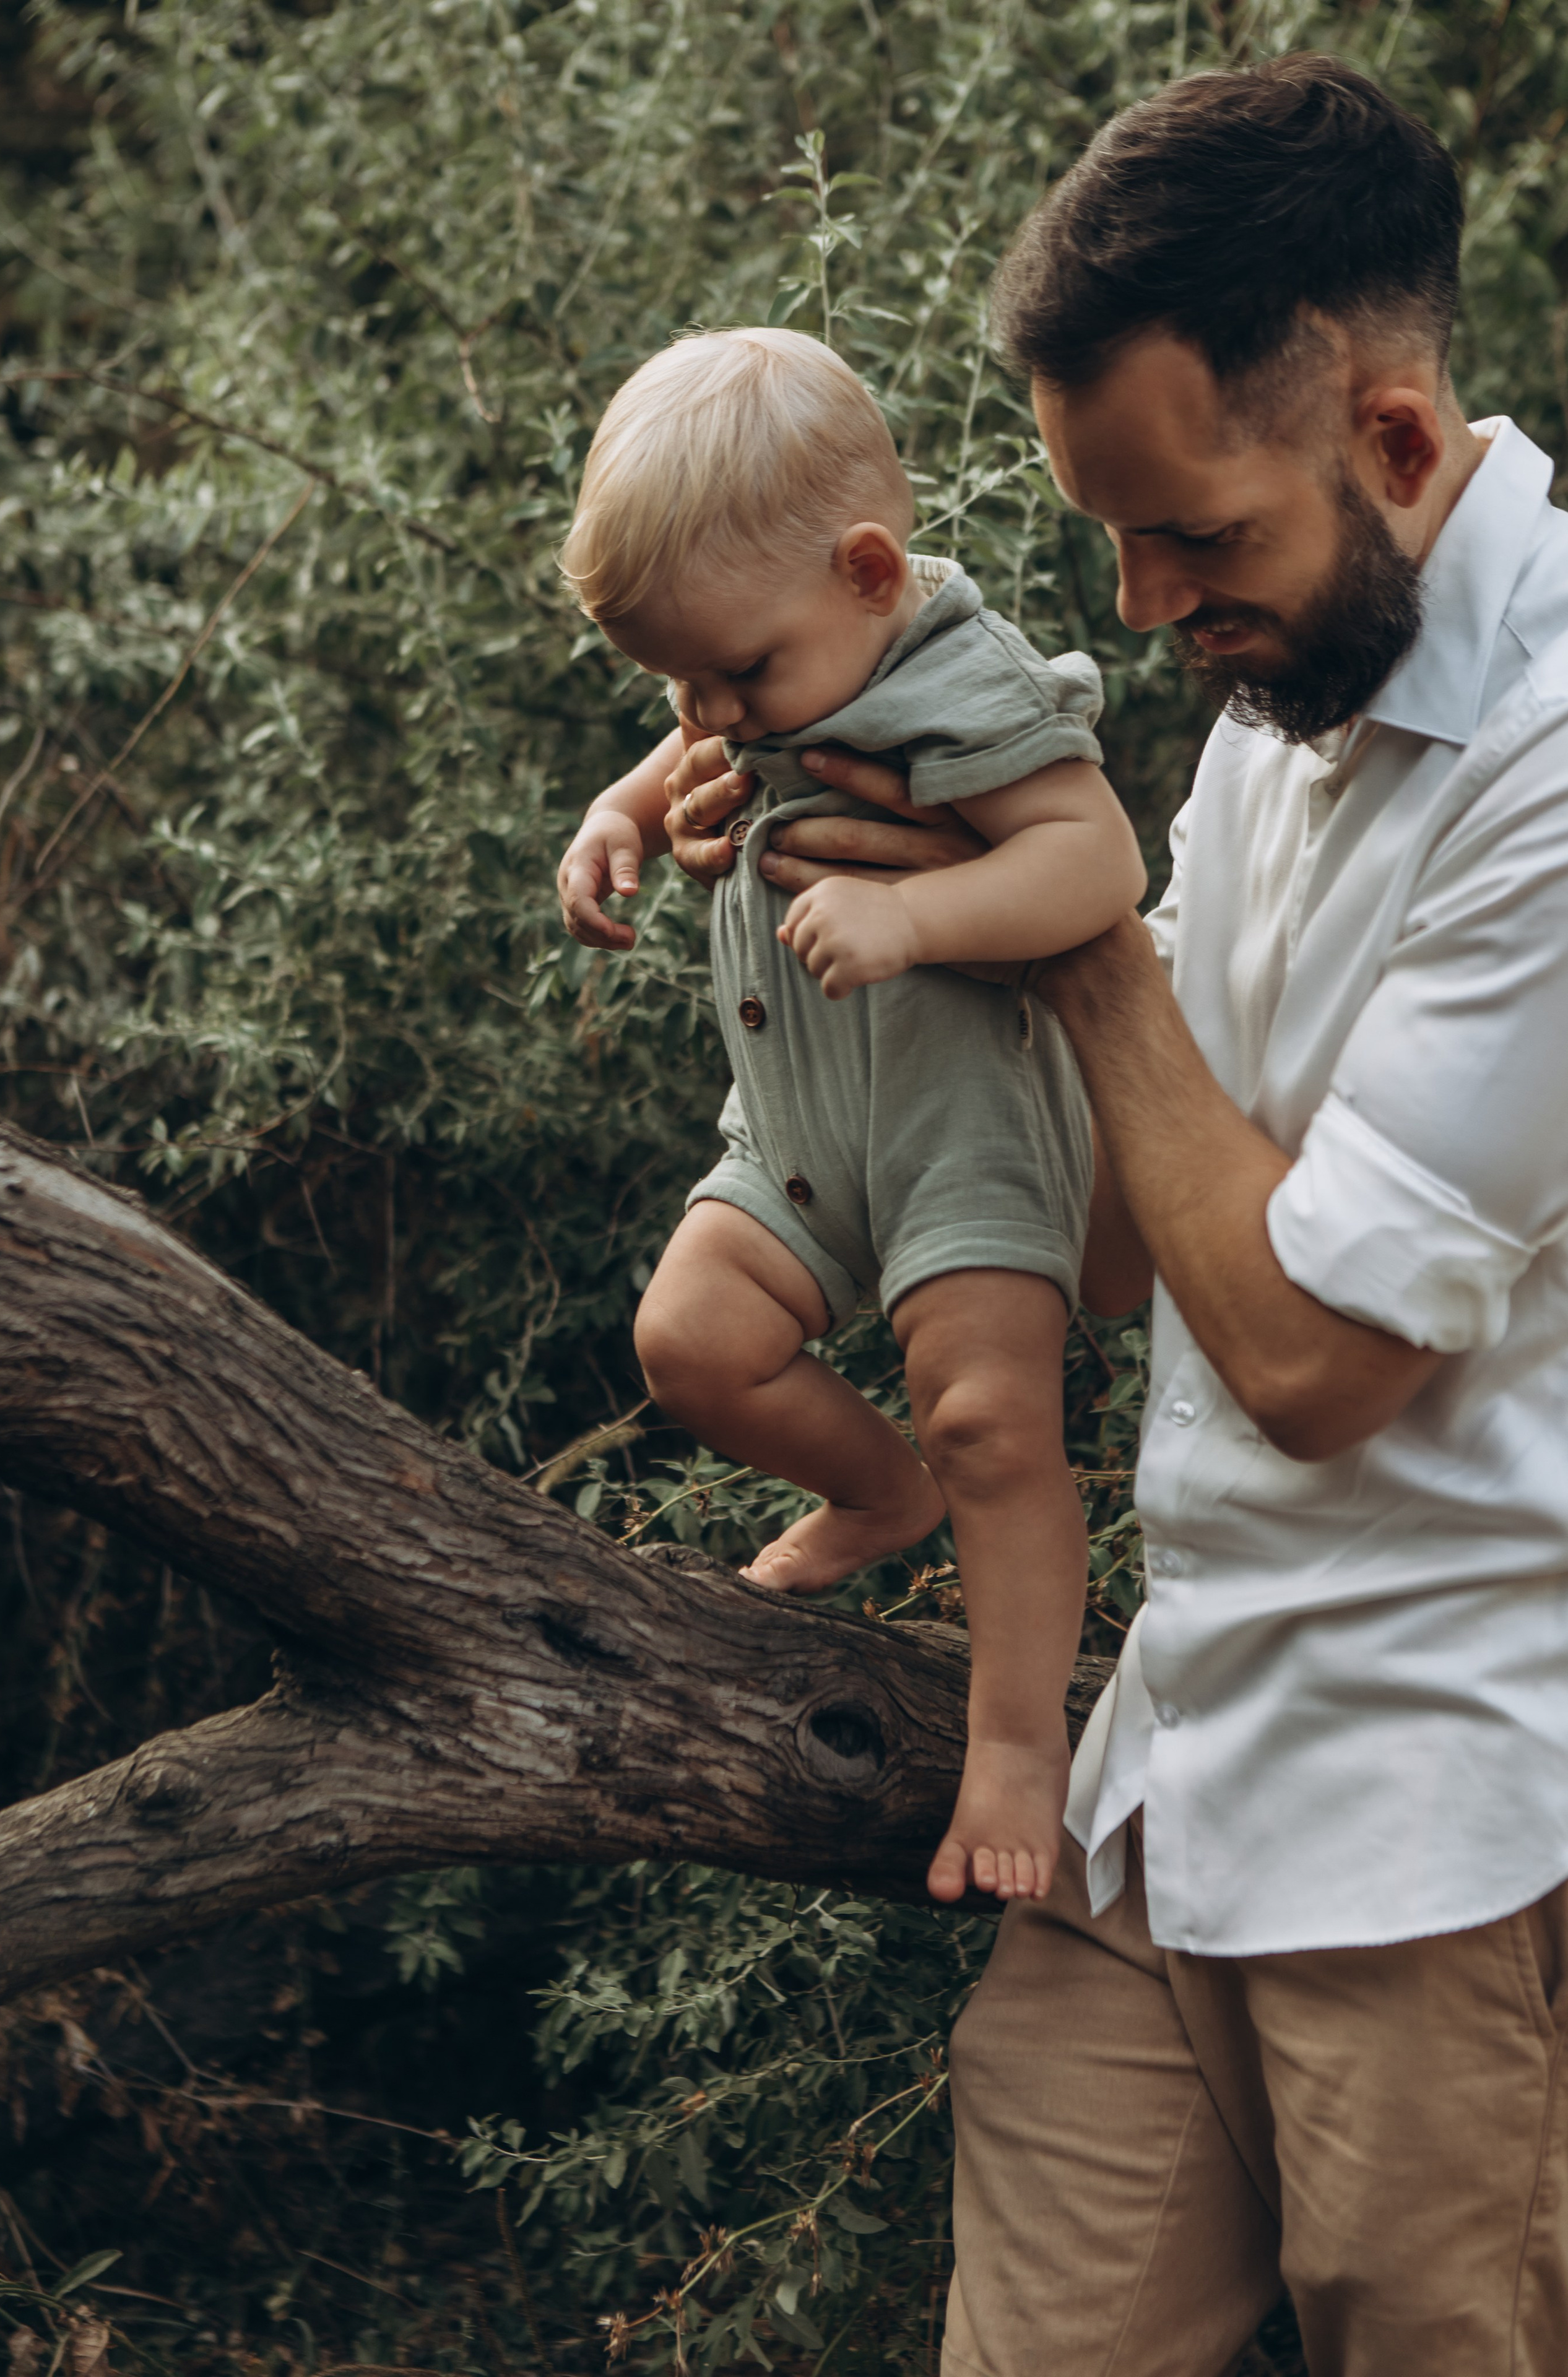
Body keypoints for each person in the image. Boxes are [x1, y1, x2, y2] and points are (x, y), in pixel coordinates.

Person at [658, 52, 1568, 2377]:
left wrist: (1071, 947)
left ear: (1384, 438)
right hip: (1169, 1777)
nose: (1149, 605)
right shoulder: (1290, 683)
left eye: (1197, 539)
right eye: (1116, 542)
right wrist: (860, 1027)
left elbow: (1316, 1362)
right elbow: (1142, 1242)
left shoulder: (1552, 769)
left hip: (1445, 1829)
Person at [556, 327, 1146, 1905]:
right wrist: (616, 820)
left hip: (967, 1142)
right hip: (800, 1144)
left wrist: (924, 918)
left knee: (994, 1424)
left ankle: (1016, 1747)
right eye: (678, 680)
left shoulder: (960, 677)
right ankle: (881, 1491)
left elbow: (1097, 863)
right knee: (687, 1342)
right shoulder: (773, 659)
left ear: (871, 572)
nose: (710, 711)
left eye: (735, 672)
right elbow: (688, 738)